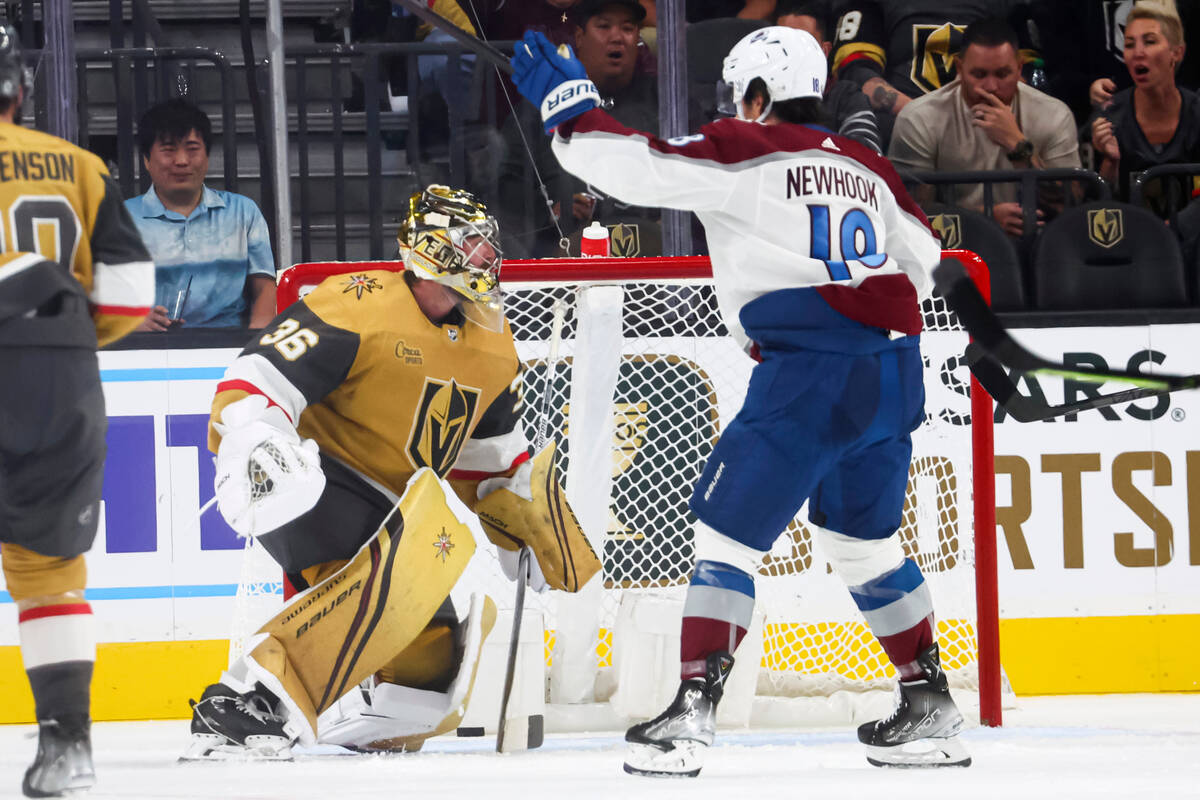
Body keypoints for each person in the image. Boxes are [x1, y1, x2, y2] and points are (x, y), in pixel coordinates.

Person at [510, 24, 968, 775]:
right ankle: (928, 701)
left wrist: (571, 110)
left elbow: (643, 167)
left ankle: (691, 713)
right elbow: (922, 254)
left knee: (726, 538)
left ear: (755, 95)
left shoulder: (744, 148)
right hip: (894, 370)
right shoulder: (868, 164)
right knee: (865, 544)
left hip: (810, 370)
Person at [183, 185, 598, 759]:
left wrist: (519, 514)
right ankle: (247, 699)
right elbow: (255, 379)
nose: (486, 259)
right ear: (432, 249)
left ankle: (373, 711)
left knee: (430, 665)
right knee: (399, 570)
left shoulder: (494, 339)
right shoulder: (356, 303)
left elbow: (487, 455)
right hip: (315, 482)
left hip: (394, 512)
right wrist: (257, 440)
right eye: (472, 246)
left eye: (487, 247)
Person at [0, 24, 154, 798]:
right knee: (49, 571)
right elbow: (131, 297)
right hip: (57, 371)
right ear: (18, 89)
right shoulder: (80, 166)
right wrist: (56, 347)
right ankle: (68, 748)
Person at [497, 0, 664, 258]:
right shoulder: (543, 105)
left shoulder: (665, 101)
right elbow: (505, 186)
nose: (617, 38)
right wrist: (549, 211)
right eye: (604, 27)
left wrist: (675, 223)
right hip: (559, 257)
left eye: (628, 28)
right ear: (579, 36)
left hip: (660, 261)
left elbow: (700, 173)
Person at [888, 18, 1080, 237]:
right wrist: (984, 217)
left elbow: (1069, 206)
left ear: (1019, 68)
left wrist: (1018, 147)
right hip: (952, 247)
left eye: (1002, 74)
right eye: (979, 75)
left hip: (1036, 246)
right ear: (959, 68)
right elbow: (909, 213)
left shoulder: (1053, 114)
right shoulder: (920, 118)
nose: (991, 87)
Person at [125, 99, 276, 331]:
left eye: (193, 149)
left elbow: (264, 288)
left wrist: (254, 346)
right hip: (145, 349)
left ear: (207, 157)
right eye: (168, 150)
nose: (182, 161)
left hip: (227, 348)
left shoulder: (243, 212)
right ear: (146, 160)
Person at [829, 0, 1038, 147]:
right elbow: (857, 74)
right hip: (903, 126)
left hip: (985, 127)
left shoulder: (1006, 6)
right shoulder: (876, 5)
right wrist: (922, 118)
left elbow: (1023, 74)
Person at [1091, 1, 1200, 213]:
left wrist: (1176, 231)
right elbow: (1091, 210)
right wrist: (1110, 163)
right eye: (1130, 44)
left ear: (1177, 53)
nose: (1138, 52)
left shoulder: (1196, 114)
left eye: (1149, 42)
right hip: (1130, 241)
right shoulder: (1108, 117)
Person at [776, 0, 883, 152]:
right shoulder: (756, 91)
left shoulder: (846, 96)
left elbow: (868, 155)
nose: (791, 52)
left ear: (824, 51)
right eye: (782, 43)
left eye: (803, 43)